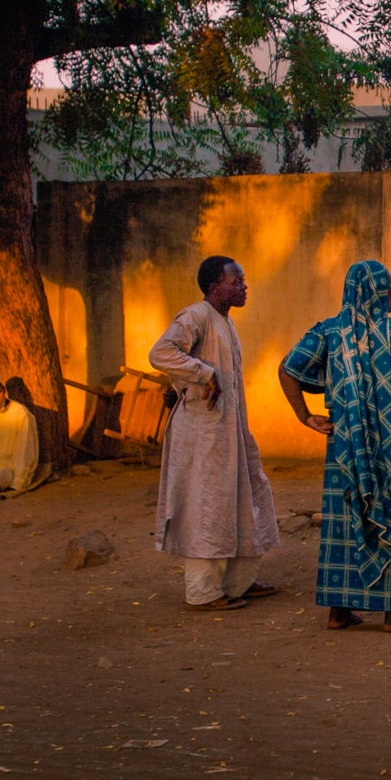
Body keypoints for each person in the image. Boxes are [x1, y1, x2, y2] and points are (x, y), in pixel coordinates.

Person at [278, 260, 391, 633]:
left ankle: (338, 613)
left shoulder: (328, 332)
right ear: (378, 291)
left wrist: (305, 416)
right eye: (389, 285)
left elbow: (288, 369)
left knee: (345, 522)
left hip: (345, 447)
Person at [149, 256, 281, 611]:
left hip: (230, 429)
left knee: (246, 496)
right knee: (206, 507)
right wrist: (202, 373)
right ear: (214, 286)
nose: (243, 287)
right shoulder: (195, 315)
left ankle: (238, 581)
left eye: (243, 281)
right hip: (203, 434)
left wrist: (187, 379)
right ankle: (204, 592)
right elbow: (161, 352)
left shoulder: (223, 321)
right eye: (236, 281)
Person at [0, 372, 38, 493]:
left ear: (4, 391)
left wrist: (18, 481)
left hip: (6, 470)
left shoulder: (20, 413)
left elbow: (24, 451)